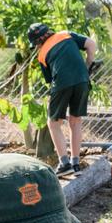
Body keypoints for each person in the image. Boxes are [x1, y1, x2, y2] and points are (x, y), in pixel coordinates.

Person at [25, 23, 97, 175]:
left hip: (62, 83)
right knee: (75, 120)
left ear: (38, 42)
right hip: (83, 80)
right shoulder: (66, 34)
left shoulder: (42, 54)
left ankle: (64, 163)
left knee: (53, 123)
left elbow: (51, 80)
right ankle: (75, 164)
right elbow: (91, 44)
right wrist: (87, 66)